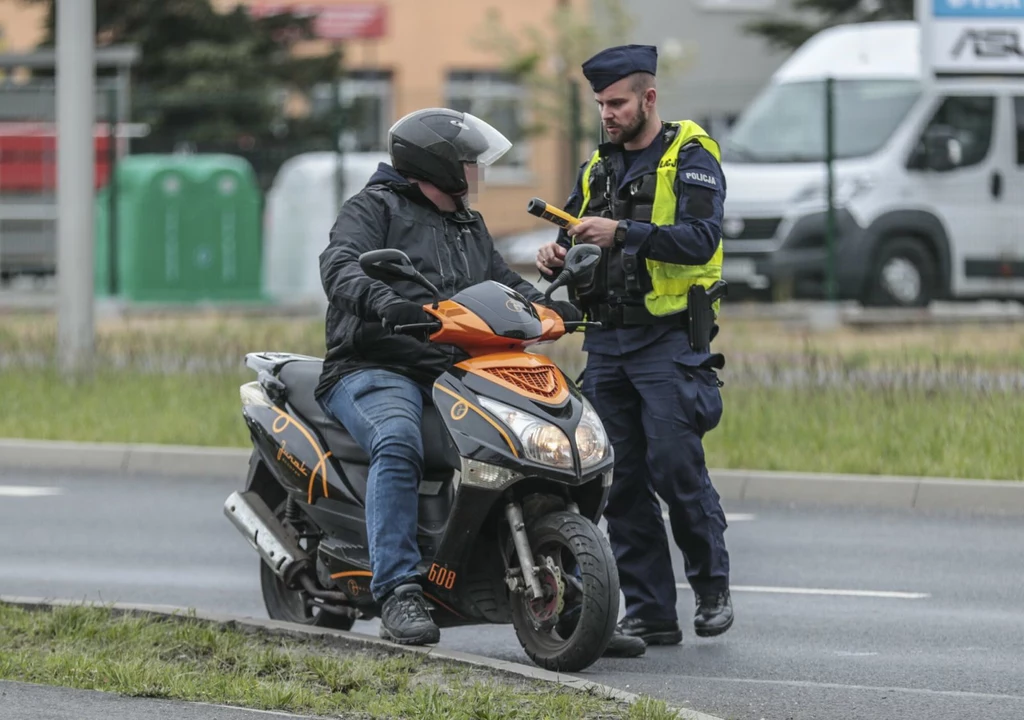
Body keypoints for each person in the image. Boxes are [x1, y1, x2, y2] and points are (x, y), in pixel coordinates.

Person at [314, 108, 588, 648]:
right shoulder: (371, 209)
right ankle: (397, 588)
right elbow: (339, 264)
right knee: (398, 439)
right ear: (436, 166)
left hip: (452, 369)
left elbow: (503, 284)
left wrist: (555, 309)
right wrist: (386, 303)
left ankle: (580, 594)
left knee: (530, 440)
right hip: (374, 364)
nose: (476, 174)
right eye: (468, 163)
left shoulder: (467, 224)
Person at [536, 44, 734, 652]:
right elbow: (573, 230)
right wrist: (557, 253)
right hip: (607, 341)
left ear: (649, 98)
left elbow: (701, 240)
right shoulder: (598, 165)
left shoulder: (690, 155)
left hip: (669, 340)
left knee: (676, 467)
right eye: (600, 104)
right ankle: (651, 611)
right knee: (616, 482)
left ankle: (711, 589)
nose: (607, 115)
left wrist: (623, 231)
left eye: (617, 102)